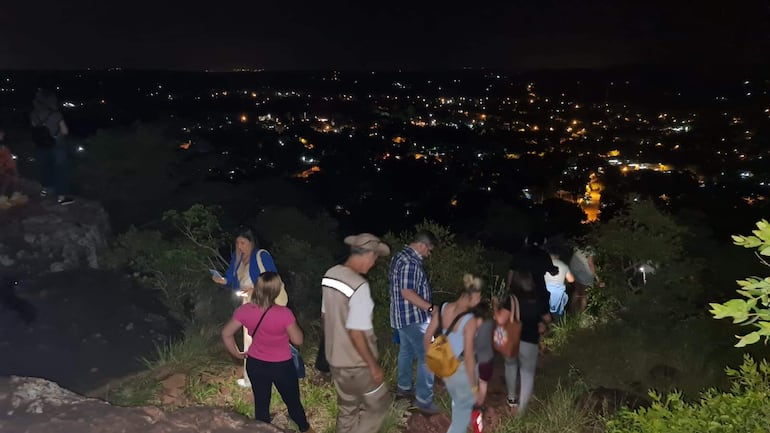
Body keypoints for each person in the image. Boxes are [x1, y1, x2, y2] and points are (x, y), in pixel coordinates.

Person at [221, 272, 314, 433]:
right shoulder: (284, 313)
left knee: (261, 403)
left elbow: (226, 333)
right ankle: (304, 428)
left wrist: (237, 353)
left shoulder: (244, 310)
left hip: (256, 363)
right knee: (292, 400)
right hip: (281, 366)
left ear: (257, 289)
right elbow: (298, 340)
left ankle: (261, 429)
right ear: (277, 291)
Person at [322, 233, 391, 433]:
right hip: (357, 365)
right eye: (375, 258)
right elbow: (356, 332)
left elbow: (325, 316)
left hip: (335, 360)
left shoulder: (330, 275)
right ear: (367, 255)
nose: (374, 263)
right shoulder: (359, 286)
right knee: (379, 404)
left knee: (347, 408)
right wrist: (373, 366)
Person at [212, 228, 287, 387]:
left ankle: (271, 374)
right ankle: (251, 378)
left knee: (265, 337)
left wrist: (255, 289)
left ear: (251, 242)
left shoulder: (261, 256)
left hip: (264, 299)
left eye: (243, 243)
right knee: (249, 339)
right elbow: (231, 278)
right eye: (237, 243)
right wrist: (221, 280)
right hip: (248, 302)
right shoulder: (237, 258)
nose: (240, 246)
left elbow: (273, 278)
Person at [389, 230, 440, 414]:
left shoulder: (400, 256)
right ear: (422, 245)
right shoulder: (410, 262)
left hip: (402, 317)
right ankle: (423, 401)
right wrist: (430, 308)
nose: (429, 254)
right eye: (429, 250)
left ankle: (404, 388)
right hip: (412, 318)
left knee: (406, 351)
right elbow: (407, 292)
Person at [423, 274, 482, 433]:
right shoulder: (469, 320)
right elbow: (469, 356)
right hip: (461, 368)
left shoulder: (442, 308)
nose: (478, 301)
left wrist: (429, 360)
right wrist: (475, 387)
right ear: (470, 296)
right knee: (460, 420)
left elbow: (428, 336)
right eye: (478, 298)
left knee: (458, 403)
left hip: (446, 365)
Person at [500, 270, 549, 413]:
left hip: (512, 340)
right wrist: (542, 324)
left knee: (510, 365)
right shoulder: (538, 299)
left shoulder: (511, 300)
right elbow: (546, 318)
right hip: (530, 341)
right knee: (527, 374)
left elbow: (501, 319)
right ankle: (522, 411)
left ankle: (511, 399)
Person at [30, 89, 74, 205]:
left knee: (45, 167)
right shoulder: (56, 114)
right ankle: (62, 197)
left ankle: (45, 190)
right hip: (56, 145)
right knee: (60, 170)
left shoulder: (34, 114)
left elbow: (36, 129)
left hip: (40, 145)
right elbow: (65, 131)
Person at [508, 234, 557, 321]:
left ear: (527, 241)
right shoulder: (544, 255)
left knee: (520, 314)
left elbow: (511, 271)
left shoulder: (520, 254)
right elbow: (553, 272)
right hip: (539, 289)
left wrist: (509, 286)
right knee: (545, 313)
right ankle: (552, 332)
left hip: (521, 288)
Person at [471, 303, 494, 409]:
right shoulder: (490, 323)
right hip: (487, 359)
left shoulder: (472, 326)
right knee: (483, 382)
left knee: (474, 382)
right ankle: (480, 404)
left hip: (476, 359)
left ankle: (475, 403)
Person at [568, 246, 604, 313]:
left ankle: (571, 311)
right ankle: (581, 313)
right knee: (584, 294)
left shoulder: (577, 245)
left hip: (575, 271)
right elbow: (590, 264)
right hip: (584, 272)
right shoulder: (589, 248)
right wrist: (597, 278)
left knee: (577, 291)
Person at [544, 248, 575, 322]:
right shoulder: (563, 265)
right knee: (557, 314)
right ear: (558, 255)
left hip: (545, 291)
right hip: (558, 293)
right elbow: (571, 280)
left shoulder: (543, 263)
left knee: (545, 313)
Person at [0, 129, 28, 210]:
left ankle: (15, 195)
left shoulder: (4, 147)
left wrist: (13, 171)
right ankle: (1, 198)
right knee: (7, 178)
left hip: (5, 169)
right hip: (2, 171)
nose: (2, 135)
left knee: (15, 176)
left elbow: (9, 162)